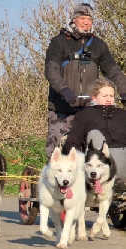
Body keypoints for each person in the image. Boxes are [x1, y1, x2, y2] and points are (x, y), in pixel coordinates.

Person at [45, 2, 126, 160]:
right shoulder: (59, 42)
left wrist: (124, 90)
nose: (86, 22)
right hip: (62, 109)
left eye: (89, 19)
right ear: (74, 20)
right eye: (82, 18)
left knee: (90, 154)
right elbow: (51, 70)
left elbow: (114, 72)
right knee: (56, 154)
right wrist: (63, 89)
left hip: (90, 111)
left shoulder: (99, 45)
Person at [62, 77, 126, 229]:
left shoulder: (122, 115)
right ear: (94, 97)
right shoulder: (85, 114)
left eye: (111, 96)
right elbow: (74, 140)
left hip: (122, 158)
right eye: (105, 96)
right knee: (95, 134)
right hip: (97, 161)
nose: (109, 99)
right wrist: (73, 159)